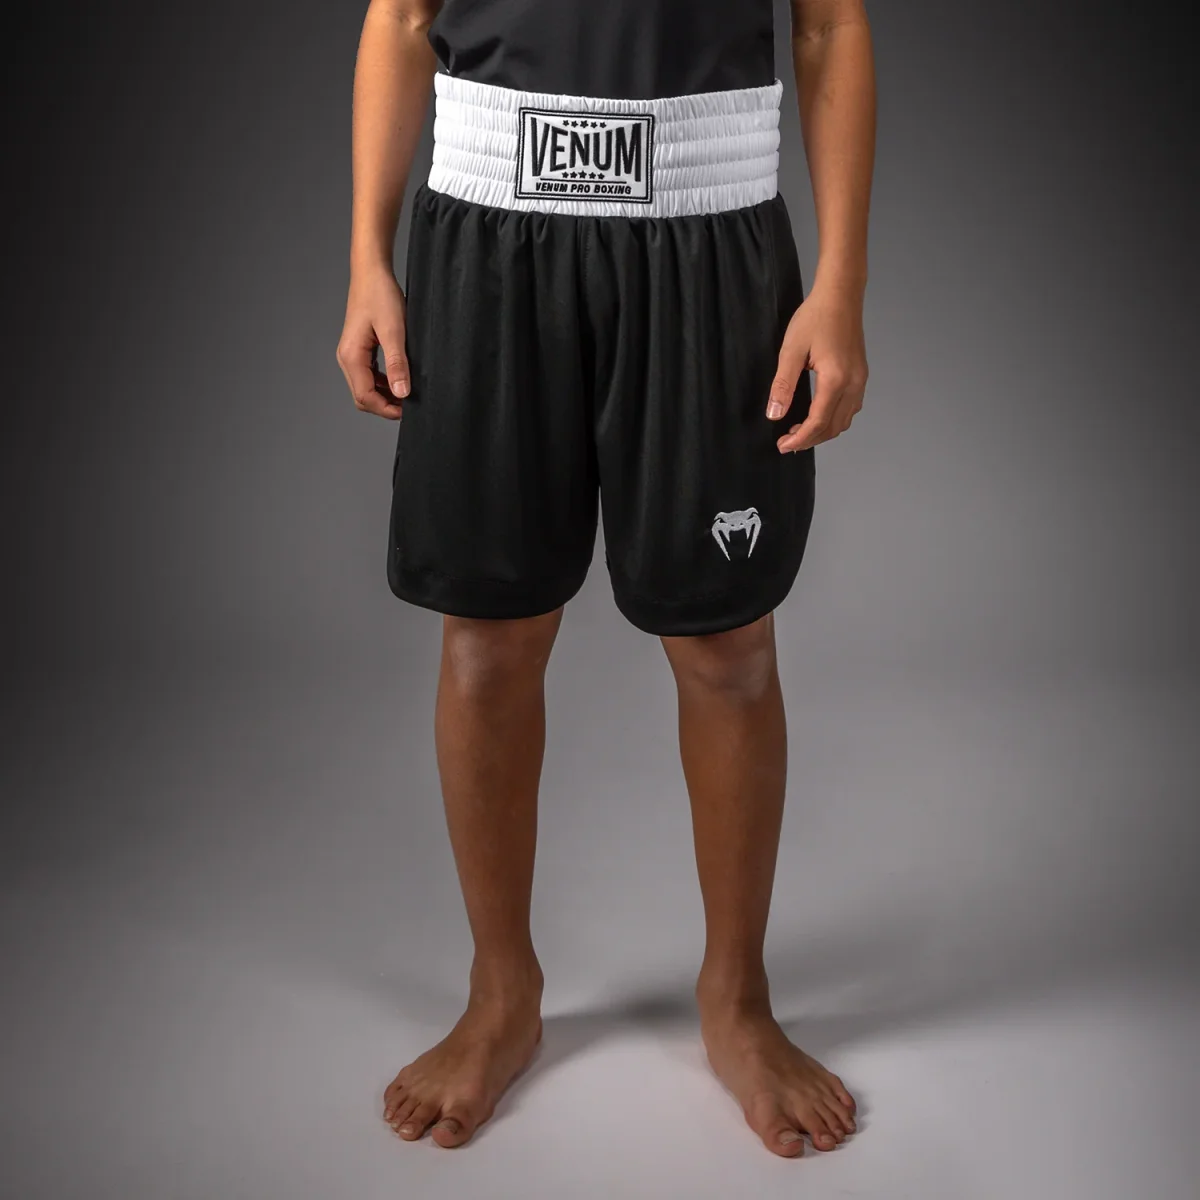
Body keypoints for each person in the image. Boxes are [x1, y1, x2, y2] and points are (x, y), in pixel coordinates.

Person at [336, 0, 874, 1158]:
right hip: (489, 235)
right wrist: (367, 260)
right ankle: (501, 993)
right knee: (487, 638)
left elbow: (829, 25)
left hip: (708, 231)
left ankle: (737, 1000)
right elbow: (403, 15)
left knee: (728, 647)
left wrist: (840, 285)